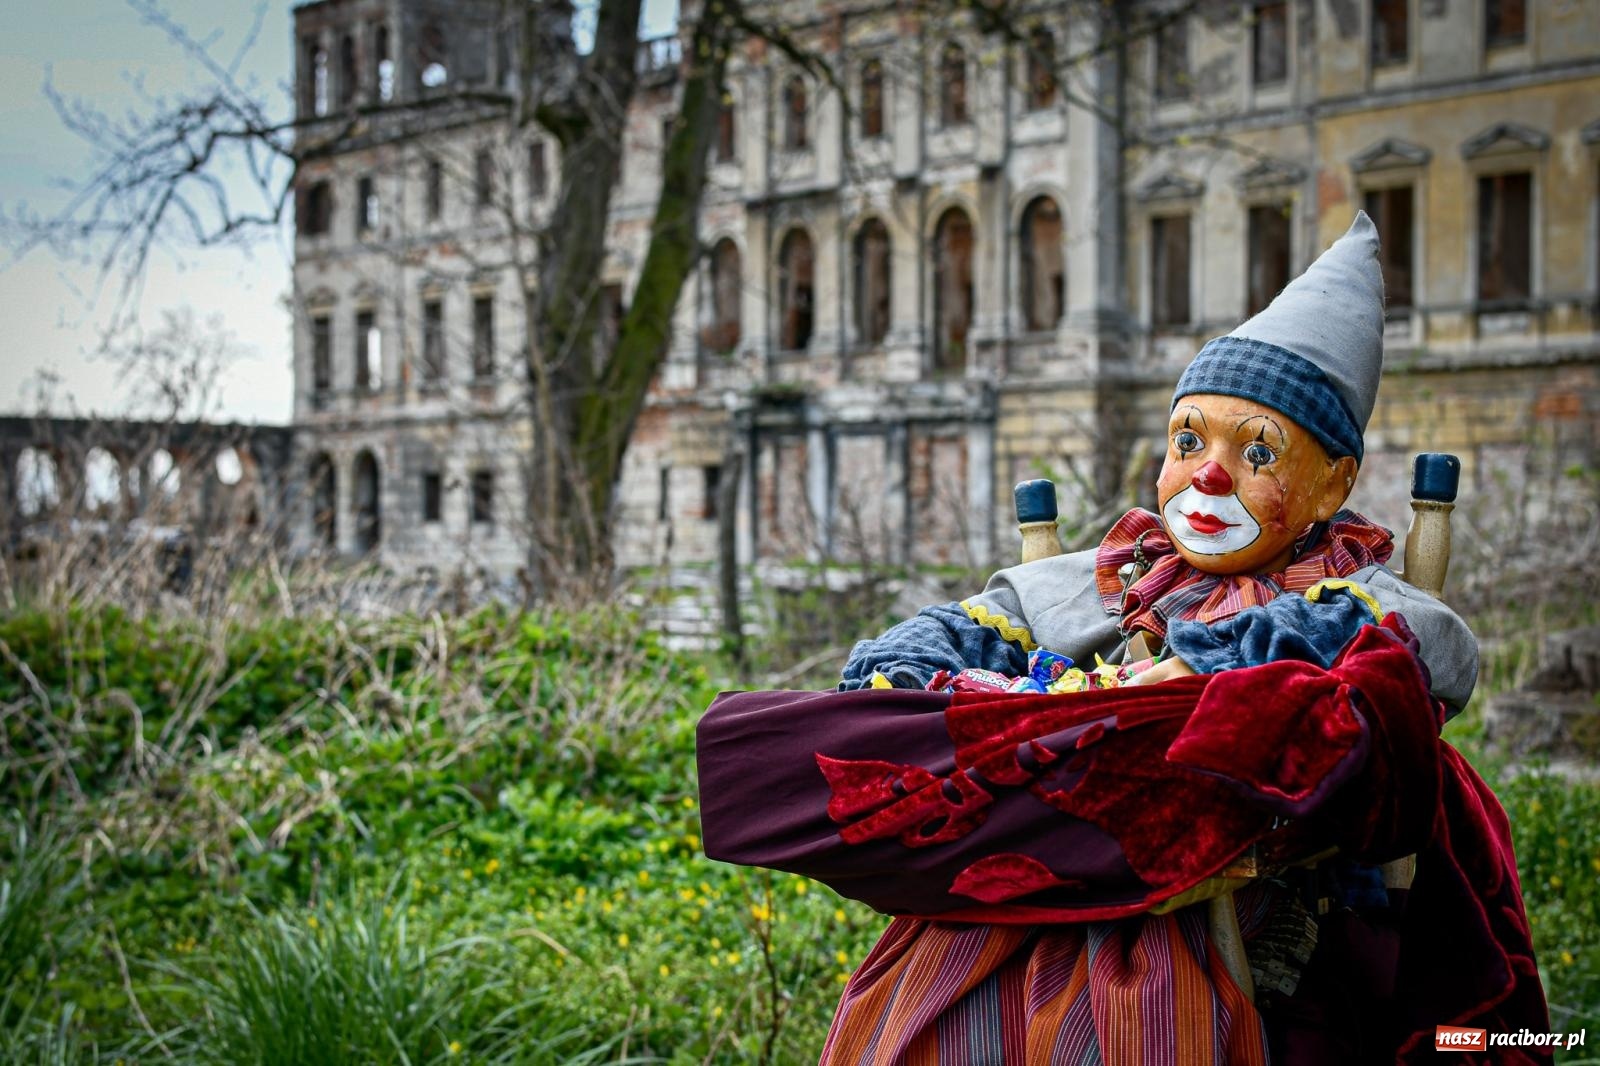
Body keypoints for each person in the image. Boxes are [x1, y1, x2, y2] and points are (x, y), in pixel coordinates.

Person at [697, 214, 1548, 1063]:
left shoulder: (1350, 593)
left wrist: (1201, 671)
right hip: (1037, 862)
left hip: (1221, 895)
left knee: (1112, 1004)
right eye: (1189, 441)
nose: (1208, 474)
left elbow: (1428, 647)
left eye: (1257, 454)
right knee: (935, 976)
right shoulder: (1110, 575)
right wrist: (933, 685)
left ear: (1332, 486)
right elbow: (938, 638)